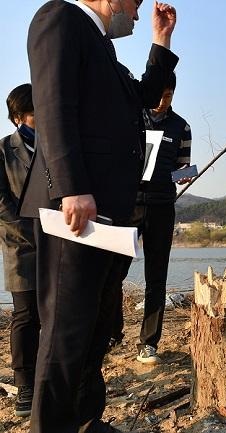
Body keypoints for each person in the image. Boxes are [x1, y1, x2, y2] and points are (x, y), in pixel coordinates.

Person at [20, 1, 178, 432]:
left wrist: (160, 41)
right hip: (76, 207)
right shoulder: (61, 19)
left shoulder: (102, 46)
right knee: (66, 329)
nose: (136, 9)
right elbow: (52, 106)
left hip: (108, 211)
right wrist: (72, 186)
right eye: (136, 3)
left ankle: (87, 418)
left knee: (97, 322)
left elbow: (142, 100)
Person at [109, 71, 193, 365]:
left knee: (156, 276)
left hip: (161, 205)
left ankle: (149, 342)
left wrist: (185, 176)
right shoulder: (132, 117)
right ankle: (112, 332)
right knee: (114, 272)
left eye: (167, 96)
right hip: (127, 204)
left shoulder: (181, 127)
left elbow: (182, 167)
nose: (161, 101)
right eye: (157, 95)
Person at [1, 84, 39, 418]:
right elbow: (2, 203)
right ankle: (25, 384)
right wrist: (25, 226)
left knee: (53, 312)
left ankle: (48, 376)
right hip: (20, 244)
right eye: (32, 112)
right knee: (25, 315)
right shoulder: (3, 151)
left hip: (58, 240)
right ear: (17, 118)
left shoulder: (57, 143)